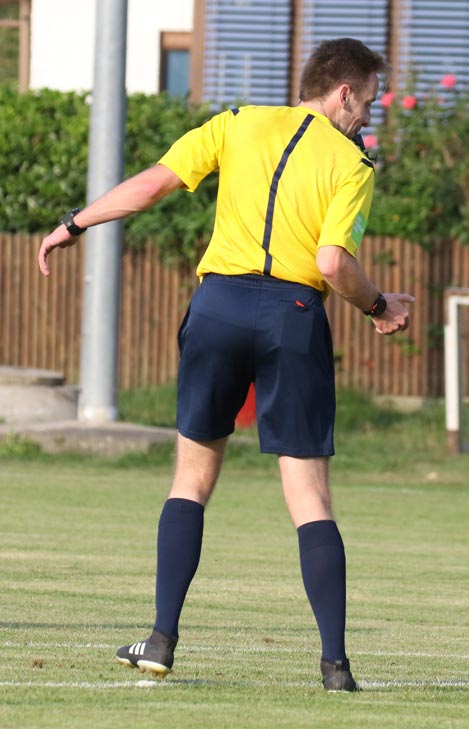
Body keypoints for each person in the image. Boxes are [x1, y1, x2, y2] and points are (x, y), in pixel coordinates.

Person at [37, 38, 413, 692]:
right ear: (343, 93)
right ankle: (335, 665)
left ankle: (160, 639)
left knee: (191, 478)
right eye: (368, 102)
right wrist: (379, 306)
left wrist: (74, 224)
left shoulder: (235, 123)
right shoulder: (351, 163)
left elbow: (151, 186)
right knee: (309, 496)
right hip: (293, 313)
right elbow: (332, 262)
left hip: (218, 309)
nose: (367, 116)